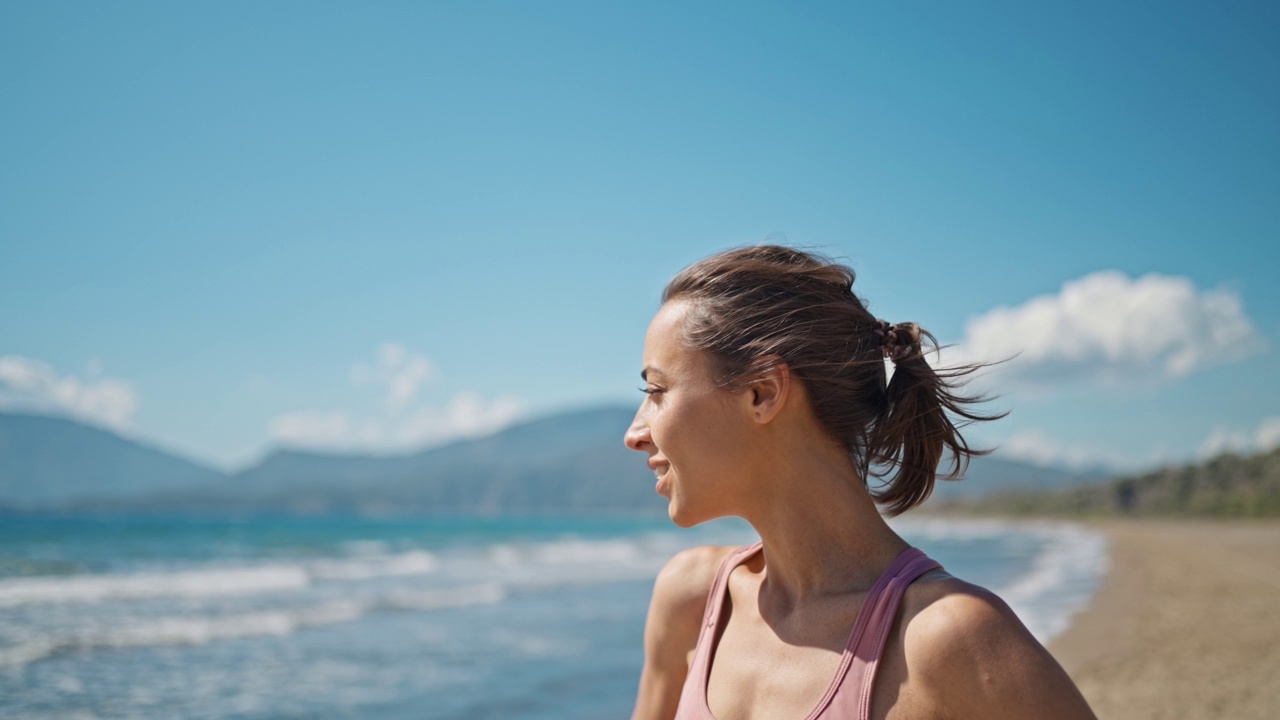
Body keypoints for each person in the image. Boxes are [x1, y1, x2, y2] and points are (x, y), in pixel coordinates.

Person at [624, 246, 1096, 719]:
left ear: (762, 393)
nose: (634, 434)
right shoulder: (692, 601)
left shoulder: (949, 640)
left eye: (656, 392)